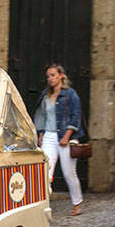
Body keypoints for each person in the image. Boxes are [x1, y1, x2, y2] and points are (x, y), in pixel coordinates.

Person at [32, 63, 84, 216]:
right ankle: (42, 205)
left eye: (53, 75)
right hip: (48, 136)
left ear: (61, 75)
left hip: (65, 136)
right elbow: (41, 116)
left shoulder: (70, 94)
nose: (50, 79)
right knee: (46, 171)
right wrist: (40, 134)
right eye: (48, 76)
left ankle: (77, 203)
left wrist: (67, 136)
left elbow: (76, 115)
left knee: (69, 173)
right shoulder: (45, 95)